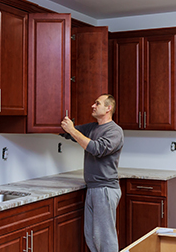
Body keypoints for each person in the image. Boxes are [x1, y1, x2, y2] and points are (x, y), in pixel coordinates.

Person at [60, 94, 124, 252]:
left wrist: (72, 130)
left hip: (105, 189)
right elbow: (68, 133)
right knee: (92, 236)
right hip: (93, 188)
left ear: (108, 108)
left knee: (105, 239)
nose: (93, 106)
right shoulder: (92, 128)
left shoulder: (115, 131)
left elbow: (97, 149)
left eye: (97, 103)